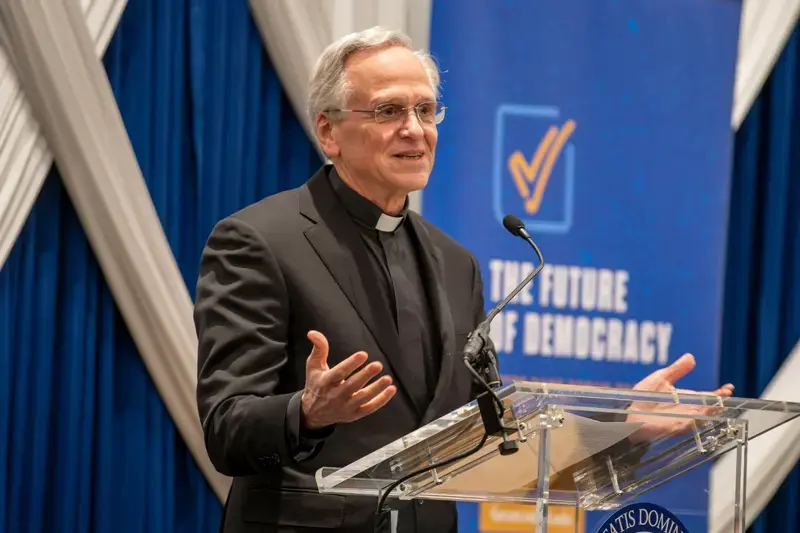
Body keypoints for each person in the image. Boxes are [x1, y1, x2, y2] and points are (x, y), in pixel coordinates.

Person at [194, 27, 734, 533]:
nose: (414, 128)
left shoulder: (456, 264)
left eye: (425, 110)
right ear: (329, 131)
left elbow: (492, 437)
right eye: (388, 110)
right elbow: (226, 428)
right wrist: (305, 414)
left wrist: (621, 427)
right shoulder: (258, 241)